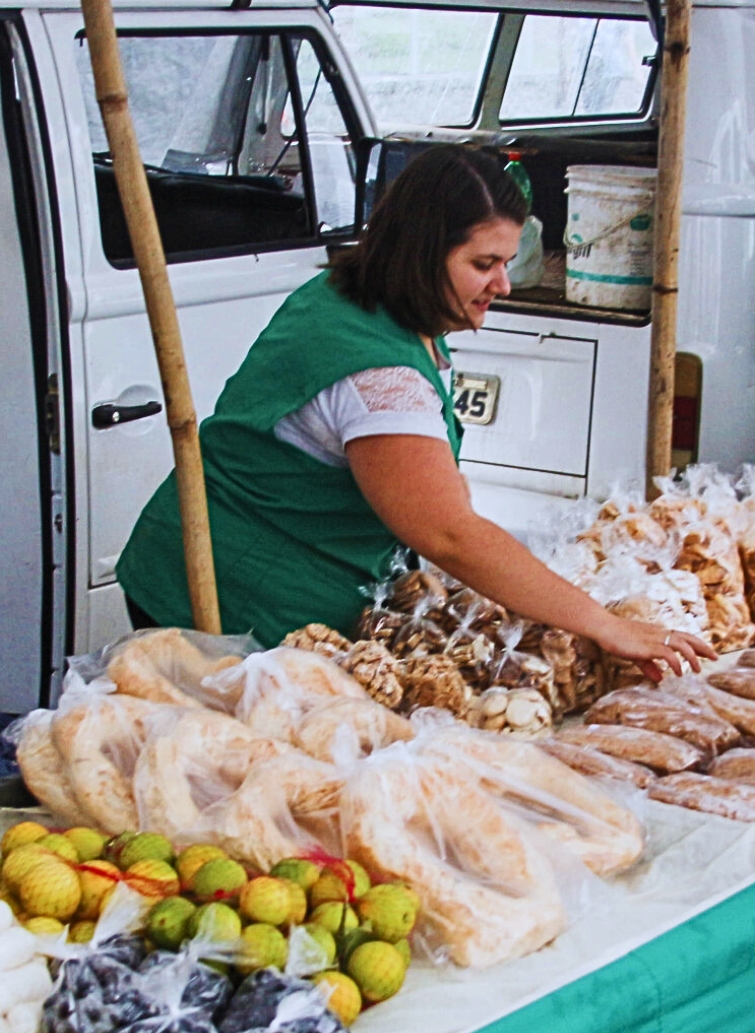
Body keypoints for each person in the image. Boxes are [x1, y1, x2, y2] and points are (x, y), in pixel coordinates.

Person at [115, 146, 714, 679]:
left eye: (506, 261)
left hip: (242, 571)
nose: (504, 284)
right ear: (423, 253)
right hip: (228, 598)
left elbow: (432, 494)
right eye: (483, 264)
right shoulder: (376, 372)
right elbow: (449, 534)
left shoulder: (376, 302)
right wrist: (603, 624)